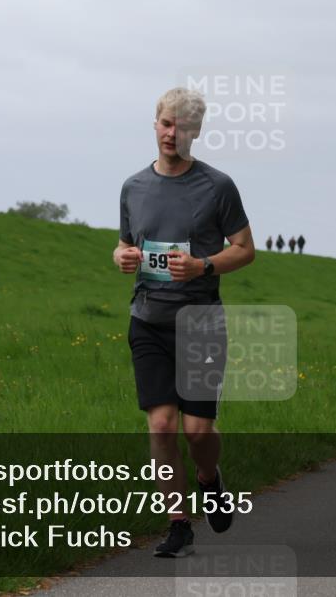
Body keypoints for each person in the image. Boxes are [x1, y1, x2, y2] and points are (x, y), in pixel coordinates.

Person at [114, 87, 255, 558]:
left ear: (197, 132)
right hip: (148, 320)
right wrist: (122, 256)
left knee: (197, 431)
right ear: (155, 123)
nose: (173, 134)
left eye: (184, 127)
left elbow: (244, 249)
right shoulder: (133, 187)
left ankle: (209, 480)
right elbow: (124, 243)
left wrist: (203, 266)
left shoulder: (217, 186)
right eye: (167, 123)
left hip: (200, 324)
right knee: (160, 424)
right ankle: (178, 523)